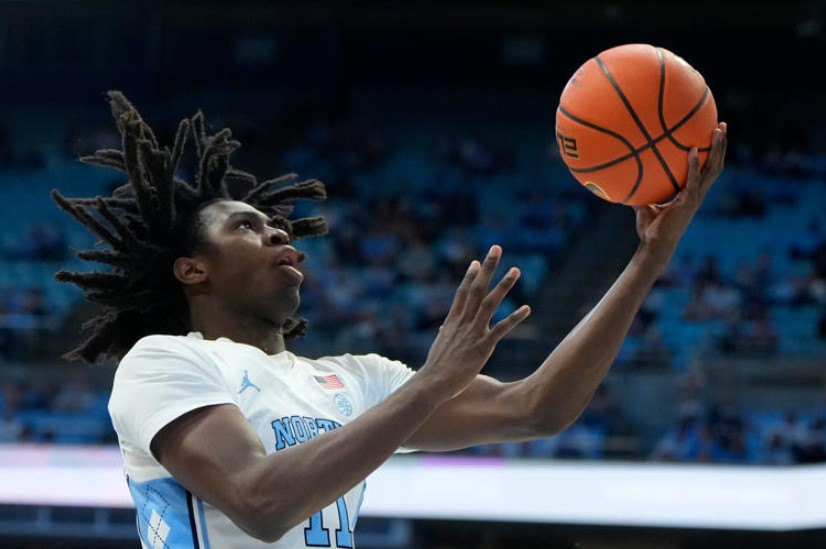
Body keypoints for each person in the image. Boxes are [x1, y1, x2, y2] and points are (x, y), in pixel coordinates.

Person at [52, 91, 727, 548]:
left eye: (281, 225)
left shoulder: (358, 380)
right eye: (248, 226)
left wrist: (650, 255)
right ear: (192, 269)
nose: (280, 235)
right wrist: (430, 384)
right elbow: (258, 502)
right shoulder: (165, 361)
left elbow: (538, 407)